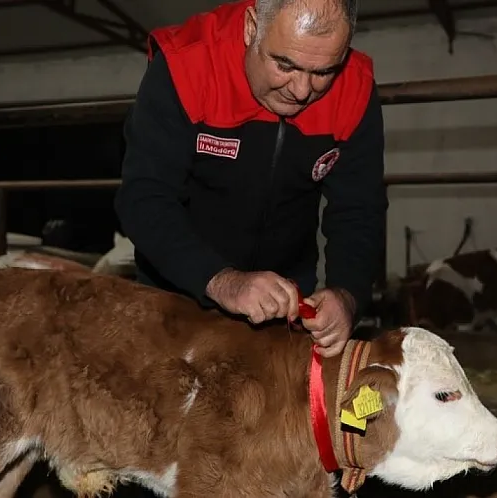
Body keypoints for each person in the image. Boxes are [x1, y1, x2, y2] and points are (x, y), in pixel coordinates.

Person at [115, 0, 387, 360]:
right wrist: (220, 280)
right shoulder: (186, 65)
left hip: (285, 301)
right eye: (285, 64)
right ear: (250, 27)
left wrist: (348, 295)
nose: (302, 90)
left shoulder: (355, 88)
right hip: (176, 291)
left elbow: (359, 209)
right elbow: (144, 196)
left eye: (323, 71)